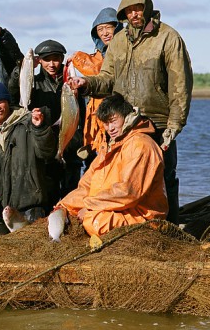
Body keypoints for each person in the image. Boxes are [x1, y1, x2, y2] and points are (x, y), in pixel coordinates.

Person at [69, 0, 193, 224]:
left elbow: (181, 86)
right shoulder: (118, 42)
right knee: (122, 179)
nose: (134, 14)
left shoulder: (168, 37)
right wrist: (85, 83)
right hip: (122, 121)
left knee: (164, 176)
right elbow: (107, 79)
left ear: (146, 9)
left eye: (138, 9)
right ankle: (135, 225)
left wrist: (173, 128)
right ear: (123, 15)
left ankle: (171, 227)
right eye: (129, 10)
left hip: (156, 122)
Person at [56, 93, 168, 236]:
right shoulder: (110, 146)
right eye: (106, 123)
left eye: (113, 121)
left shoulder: (141, 145)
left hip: (142, 216)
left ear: (127, 117)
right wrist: (64, 205)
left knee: (92, 221)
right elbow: (86, 186)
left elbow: (128, 192)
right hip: (114, 208)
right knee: (65, 213)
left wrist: (89, 207)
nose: (110, 128)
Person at [0, 81, 56, 237]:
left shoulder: (28, 122)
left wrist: (40, 129)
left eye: (0, 101)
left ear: (7, 101)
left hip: (30, 207)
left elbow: (47, 153)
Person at [8, 39, 86, 210]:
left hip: (71, 150)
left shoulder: (72, 84)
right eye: (47, 59)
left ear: (62, 59)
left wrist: (80, 142)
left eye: (56, 58)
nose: (52, 64)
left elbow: (82, 117)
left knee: (71, 199)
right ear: (39, 61)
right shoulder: (33, 83)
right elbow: (13, 95)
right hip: (44, 152)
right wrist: (21, 69)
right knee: (47, 200)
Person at [66, 7, 123, 165]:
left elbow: (98, 71)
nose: (104, 33)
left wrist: (77, 57)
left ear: (117, 27)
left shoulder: (125, 52)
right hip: (95, 118)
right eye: (100, 29)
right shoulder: (98, 54)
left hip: (117, 115)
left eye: (108, 28)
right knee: (94, 163)